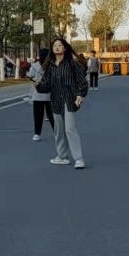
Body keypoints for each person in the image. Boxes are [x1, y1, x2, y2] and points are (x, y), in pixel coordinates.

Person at [36, 35, 88, 168]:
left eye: (60, 45)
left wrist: (80, 94)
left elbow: (82, 82)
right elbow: (46, 85)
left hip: (69, 100)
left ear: (65, 48)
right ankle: (62, 156)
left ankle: (79, 159)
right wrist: (38, 85)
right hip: (56, 101)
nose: (57, 48)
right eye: (55, 46)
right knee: (58, 130)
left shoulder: (73, 64)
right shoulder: (50, 67)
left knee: (70, 128)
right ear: (52, 49)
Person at [27, 48, 55, 140]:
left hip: (38, 94)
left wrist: (35, 80)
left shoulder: (35, 65)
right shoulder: (52, 66)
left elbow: (30, 76)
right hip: (49, 94)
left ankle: (37, 134)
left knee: (38, 115)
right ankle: (56, 133)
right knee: (51, 115)